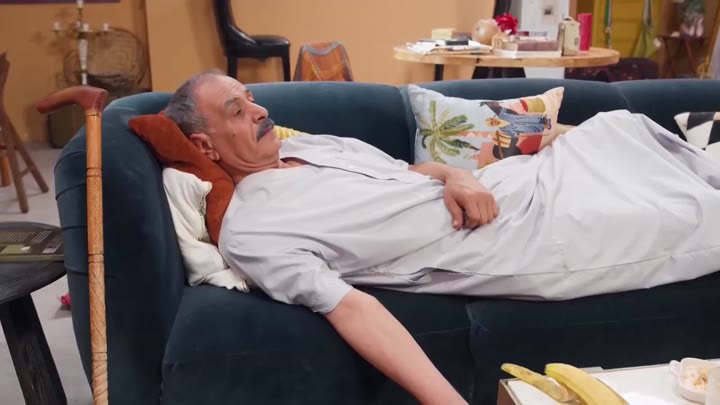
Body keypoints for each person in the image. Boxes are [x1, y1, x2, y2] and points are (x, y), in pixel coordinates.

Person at [164, 70, 720, 405]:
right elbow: (351, 309)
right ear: (205, 146)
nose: (260, 110)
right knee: (688, 210)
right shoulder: (254, 229)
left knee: (617, 128)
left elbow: (413, 171)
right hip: (520, 232)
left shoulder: (306, 147)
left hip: (507, 183)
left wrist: (458, 176)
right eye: (237, 110)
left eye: (251, 98)